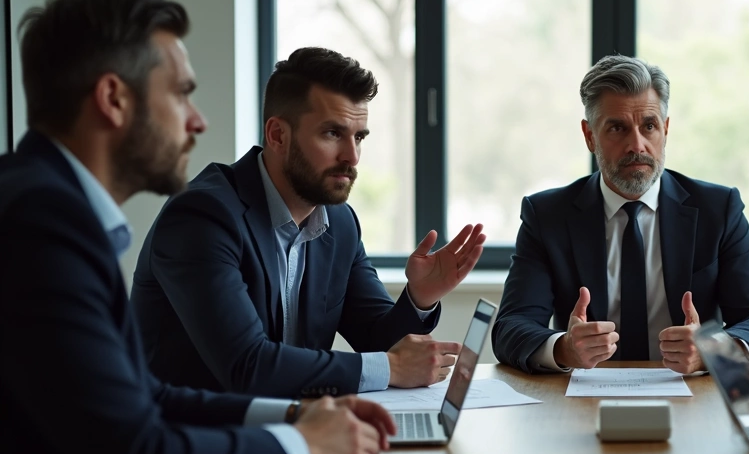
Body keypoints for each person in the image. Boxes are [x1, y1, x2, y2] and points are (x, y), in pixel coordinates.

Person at [0, 0, 396, 454]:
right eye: (181, 93)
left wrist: (292, 419)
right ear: (113, 98)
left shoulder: (50, 206)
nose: (198, 119)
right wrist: (303, 448)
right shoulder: (41, 225)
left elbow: (145, 396)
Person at [130, 47, 486, 399]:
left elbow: (379, 341)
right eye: (333, 133)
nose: (352, 156)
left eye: (359, 137)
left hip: (293, 425)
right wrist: (390, 368)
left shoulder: (340, 222)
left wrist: (419, 298)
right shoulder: (202, 216)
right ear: (278, 135)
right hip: (190, 438)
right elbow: (246, 366)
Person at [492, 55, 749, 374]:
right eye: (617, 128)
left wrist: (713, 353)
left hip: (694, 396)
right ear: (590, 136)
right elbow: (511, 327)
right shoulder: (547, 216)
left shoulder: (718, 209)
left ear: (666, 129)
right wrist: (564, 348)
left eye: (649, 126)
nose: (637, 144)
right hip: (586, 398)